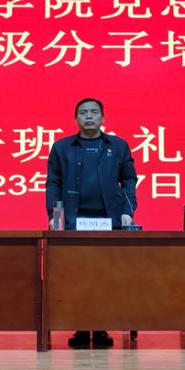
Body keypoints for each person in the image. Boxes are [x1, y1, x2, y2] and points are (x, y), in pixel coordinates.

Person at [46, 98, 138, 349]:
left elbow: (129, 181)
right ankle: (80, 326)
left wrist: (128, 211)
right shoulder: (62, 147)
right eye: (83, 113)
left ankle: (100, 327)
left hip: (109, 220)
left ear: (102, 118)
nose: (89, 116)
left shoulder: (118, 146)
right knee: (77, 276)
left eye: (94, 112)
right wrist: (55, 215)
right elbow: (53, 183)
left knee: (105, 276)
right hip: (73, 220)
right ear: (76, 119)